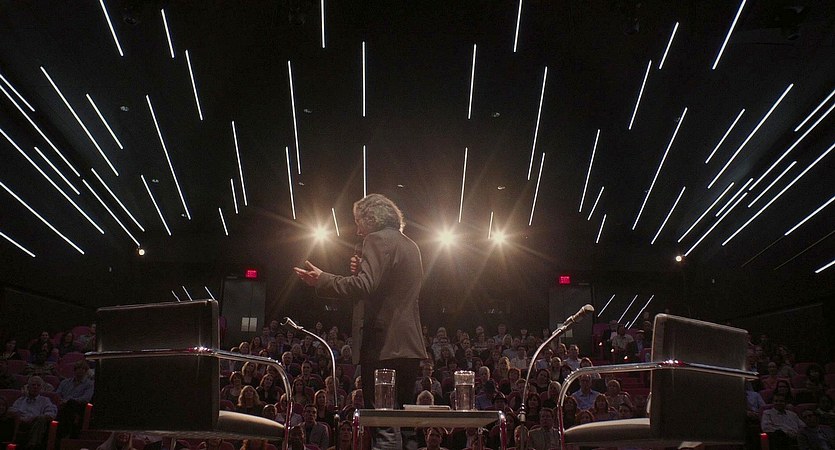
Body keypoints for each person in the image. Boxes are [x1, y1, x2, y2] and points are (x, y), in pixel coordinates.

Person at [294, 194, 428, 450]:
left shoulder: (376, 239)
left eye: (358, 222)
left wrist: (323, 279)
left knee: (383, 424)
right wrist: (362, 269)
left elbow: (365, 286)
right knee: (406, 426)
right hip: (409, 347)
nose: (357, 230)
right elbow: (387, 286)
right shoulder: (411, 245)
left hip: (382, 346)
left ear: (371, 219)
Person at [9, 376, 58, 450]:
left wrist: (34, 418)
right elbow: (12, 410)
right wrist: (20, 417)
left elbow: (51, 414)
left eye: (38, 385)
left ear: (41, 388)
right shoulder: (21, 400)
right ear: (28, 387)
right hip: (19, 422)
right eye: (33, 385)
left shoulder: (45, 401)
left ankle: (32, 446)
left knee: (41, 420)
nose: (35, 387)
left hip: (36, 423)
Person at [56, 360, 94, 439]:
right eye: (78, 368)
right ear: (74, 370)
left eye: (83, 369)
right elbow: (57, 394)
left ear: (86, 371)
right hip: (63, 405)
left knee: (70, 404)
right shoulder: (65, 382)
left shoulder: (89, 384)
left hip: (78, 407)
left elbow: (86, 398)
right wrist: (62, 401)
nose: (80, 370)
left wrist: (69, 400)